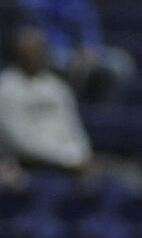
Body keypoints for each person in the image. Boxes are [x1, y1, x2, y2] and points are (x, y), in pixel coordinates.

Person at [17, 0, 134, 101]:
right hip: (49, 49)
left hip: (76, 52)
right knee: (61, 59)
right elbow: (34, 26)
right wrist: (75, 56)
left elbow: (88, 26)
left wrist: (89, 50)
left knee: (120, 63)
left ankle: (100, 106)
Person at [0, 26, 92, 173]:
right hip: (30, 165)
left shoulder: (57, 87)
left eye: (39, 51)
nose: (36, 56)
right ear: (18, 54)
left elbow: (74, 127)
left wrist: (82, 154)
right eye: (30, 52)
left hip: (70, 163)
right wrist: (65, 158)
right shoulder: (6, 87)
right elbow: (18, 140)